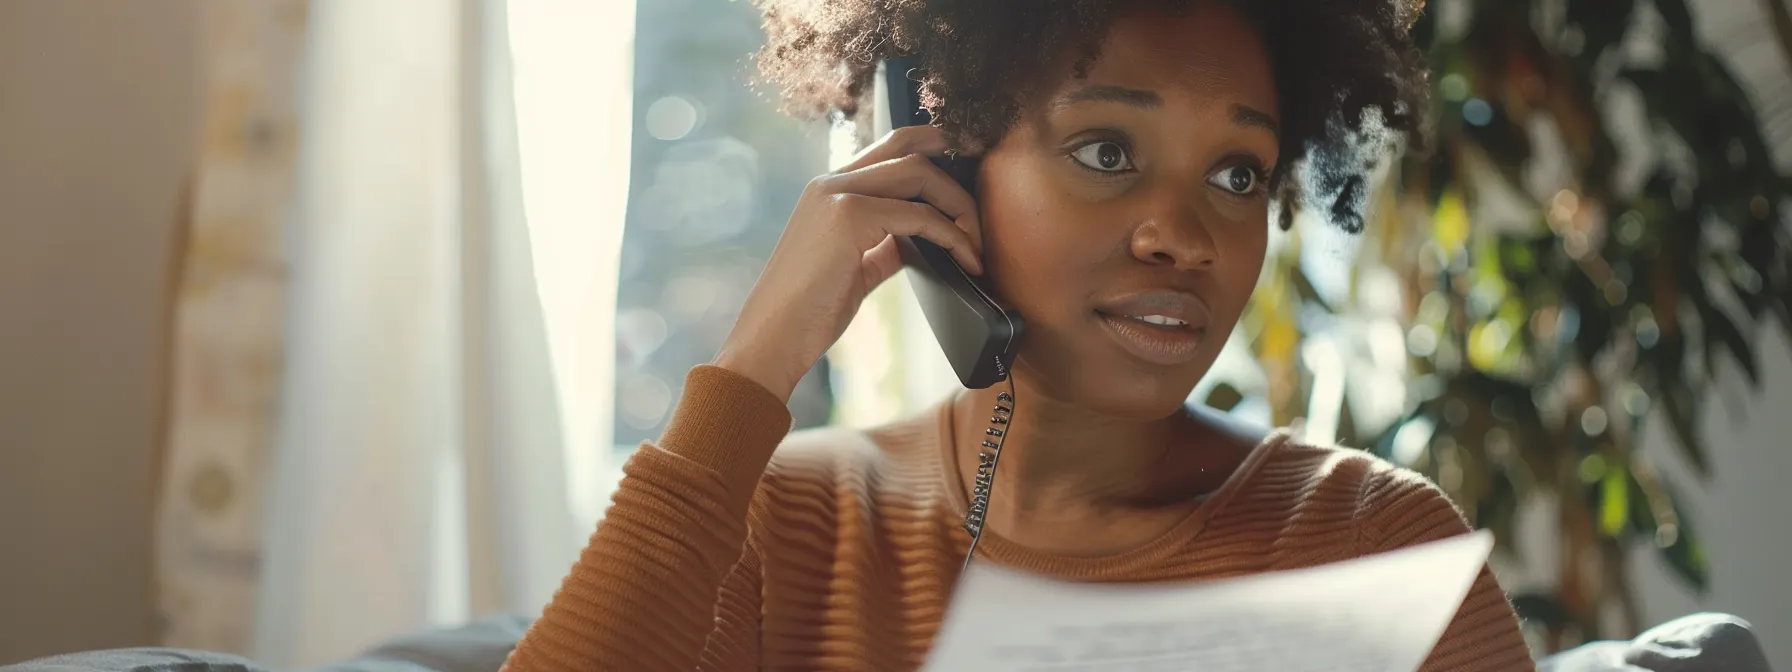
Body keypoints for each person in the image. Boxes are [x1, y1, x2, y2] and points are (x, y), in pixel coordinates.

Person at [504, 0, 1533, 669]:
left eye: (1236, 174)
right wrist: (754, 369)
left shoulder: (1369, 544)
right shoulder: (783, 528)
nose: (1183, 236)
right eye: (1104, 149)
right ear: (941, 167)